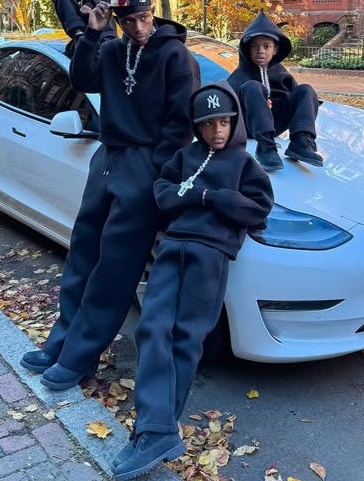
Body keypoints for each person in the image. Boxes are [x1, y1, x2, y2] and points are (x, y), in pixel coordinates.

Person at [20, 0, 201, 390]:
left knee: (115, 268)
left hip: (143, 163)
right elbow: (82, 79)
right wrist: (92, 33)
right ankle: (60, 343)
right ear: (118, 19)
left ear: (153, 12)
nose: (139, 27)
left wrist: (155, 171)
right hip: (107, 158)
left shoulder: (175, 56)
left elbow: (181, 126)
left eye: (144, 17)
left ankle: (80, 357)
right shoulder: (114, 49)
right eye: (129, 20)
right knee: (81, 255)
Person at [112, 82, 274, 481]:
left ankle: (155, 430)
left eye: (224, 122)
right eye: (208, 123)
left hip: (210, 255)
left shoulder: (244, 163)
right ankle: (155, 428)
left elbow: (259, 207)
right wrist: (191, 195)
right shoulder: (185, 157)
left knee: (185, 337)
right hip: (172, 248)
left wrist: (210, 197)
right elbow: (163, 193)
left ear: (234, 122)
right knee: (151, 328)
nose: (217, 130)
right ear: (197, 126)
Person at [227, 11, 323, 171]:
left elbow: (300, 101)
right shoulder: (239, 76)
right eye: (255, 46)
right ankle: (265, 147)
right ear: (247, 49)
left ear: (275, 49)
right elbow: (225, 104)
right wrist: (259, 104)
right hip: (250, 126)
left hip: (277, 124)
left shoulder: (282, 73)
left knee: (305, 89)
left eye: (266, 46)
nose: (260, 51)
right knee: (252, 86)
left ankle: (301, 142)